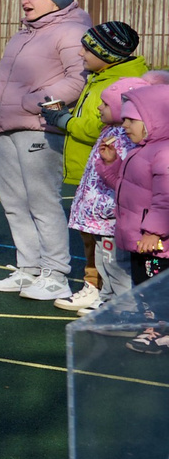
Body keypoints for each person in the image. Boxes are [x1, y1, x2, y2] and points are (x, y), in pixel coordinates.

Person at [0, 0, 93, 302]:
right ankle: (28, 268)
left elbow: (79, 80)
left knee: (42, 201)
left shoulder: (72, 32)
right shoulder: (24, 33)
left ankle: (56, 274)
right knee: (14, 203)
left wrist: (40, 104)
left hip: (40, 129)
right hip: (4, 126)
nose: (25, 0)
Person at [55, 20, 147, 313]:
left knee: (110, 247)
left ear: (106, 53)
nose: (80, 54)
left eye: (87, 49)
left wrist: (64, 121)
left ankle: (106, 293)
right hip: (95, 178)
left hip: (107, 186)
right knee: (92, 239)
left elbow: (94, 126)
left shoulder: (123, 84)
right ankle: (97, 288)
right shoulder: (101, 76)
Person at [69, 79, 138, 321]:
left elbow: (123, 179)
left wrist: (108, 209)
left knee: (117, 265)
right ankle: (107, 298)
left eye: (105, 104)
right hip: (98, 216)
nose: (99, 108)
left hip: (110, 216)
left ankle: (124, 306)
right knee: (103, 261)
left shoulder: (128, 137)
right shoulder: (109, 131)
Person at [110, 82, 169, 353]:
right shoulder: (142, 150)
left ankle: (158, 331)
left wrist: (154, 231)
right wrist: (110, 164)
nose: (124, 126)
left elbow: (166, 198)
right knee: (144, 285)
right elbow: (126, 189)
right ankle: (152, 325)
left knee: (156, 287)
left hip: (156, 243)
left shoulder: (164, 154)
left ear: (155, 119)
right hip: (141, 238)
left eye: (131, 120)